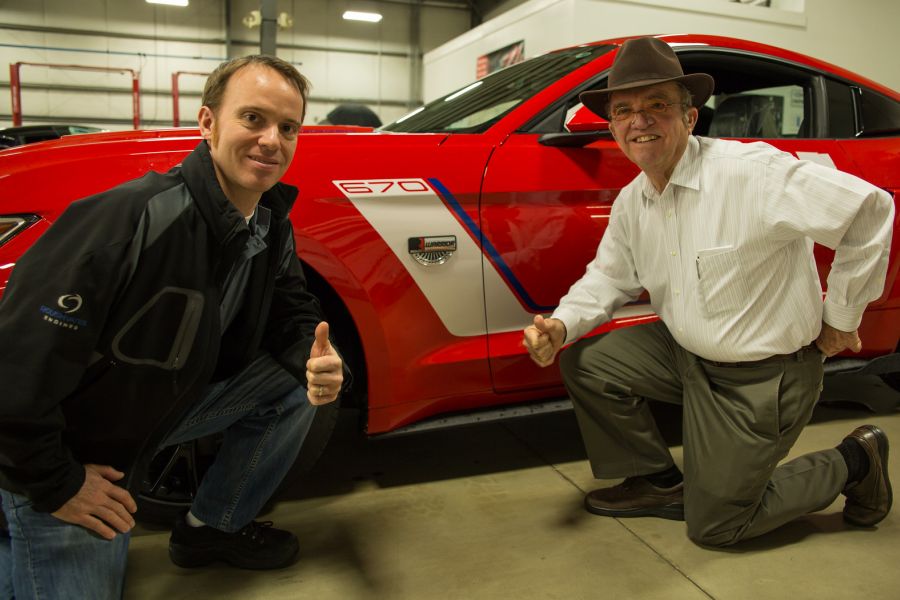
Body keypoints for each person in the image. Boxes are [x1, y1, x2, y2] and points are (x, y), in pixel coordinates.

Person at [522, 37, 894, 547]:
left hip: (762, 379)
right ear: (611, 127)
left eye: (658, 105)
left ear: (690, 118)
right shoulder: (635, 199)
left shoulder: (751, 173)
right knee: (587, 361)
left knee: (718, 525)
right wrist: (562, 324)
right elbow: (609, 276)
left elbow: (870, 211)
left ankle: (855, 461)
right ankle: (657, 481)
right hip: (685, 355)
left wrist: (843, 317)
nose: (640, 120)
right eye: (625, 110)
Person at [0, 54, 346, 597]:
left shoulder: (270, 223)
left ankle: (209, 529)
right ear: (207, 123)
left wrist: (315, 356)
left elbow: (292, 310)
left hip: (156, 416)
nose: (271, 140)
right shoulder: (127, 219)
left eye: (287, 127)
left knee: (294, 384)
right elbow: (14, 371)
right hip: (66, 447)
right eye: (252, 119)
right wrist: (57, 482)